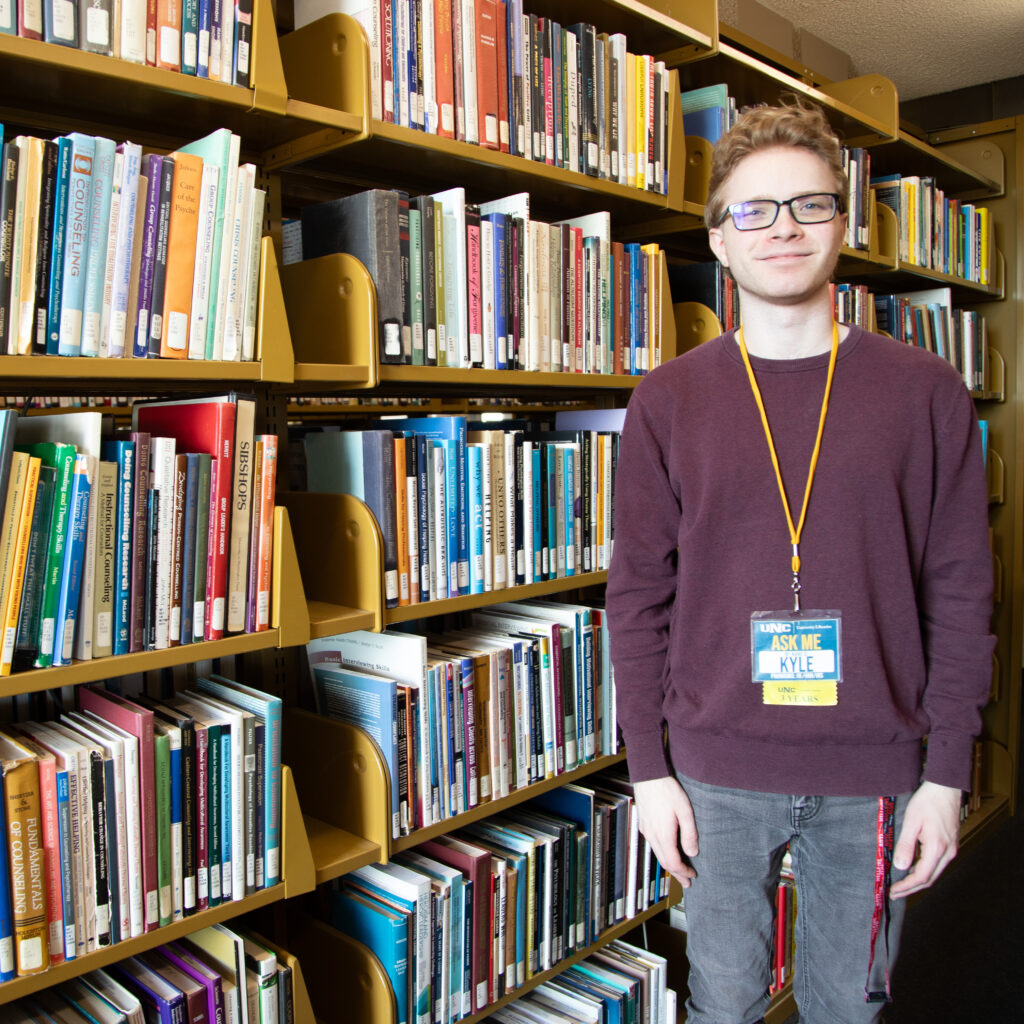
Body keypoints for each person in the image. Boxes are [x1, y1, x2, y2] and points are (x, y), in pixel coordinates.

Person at [605, 101, 994, 1024]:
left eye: (808, 206)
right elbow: (637, 597)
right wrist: (649, 771)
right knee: (724, 1003)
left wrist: (946, 775)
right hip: (713, 773)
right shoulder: (667, 400)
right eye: (755, 210)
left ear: (843, 225)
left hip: (876, 772)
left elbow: (962, 590)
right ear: (720, 240)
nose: (783, 228)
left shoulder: (928, 393)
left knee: (847, 1009)